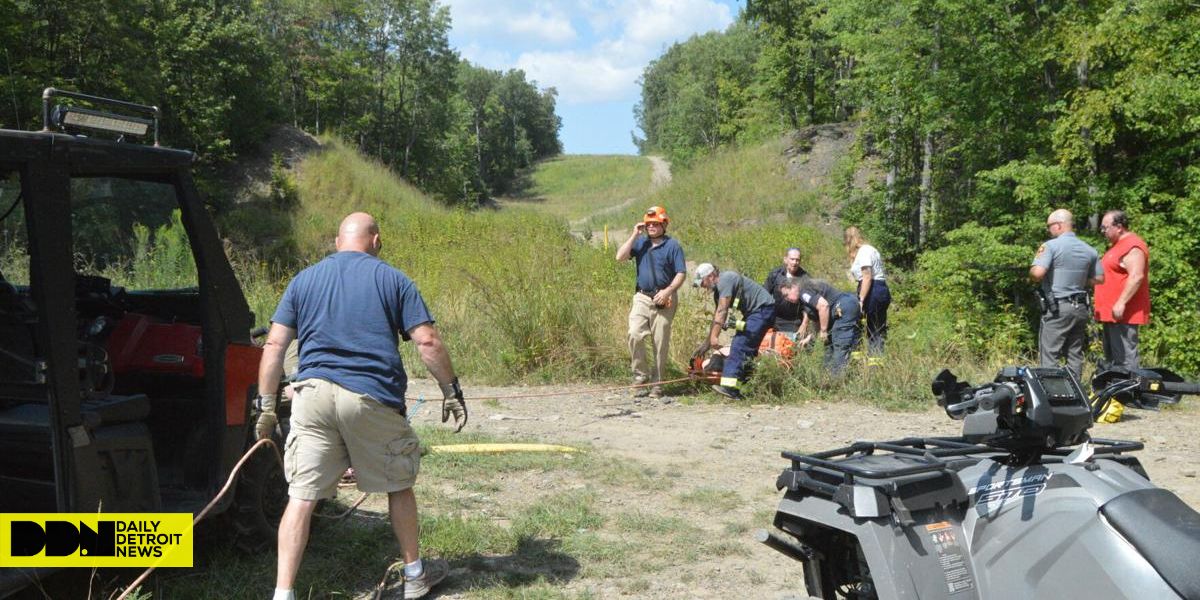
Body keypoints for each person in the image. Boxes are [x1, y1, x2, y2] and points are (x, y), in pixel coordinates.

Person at [255, 212, 467, 600]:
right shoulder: (393, 279)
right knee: (398, 485)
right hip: (370, 397)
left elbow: (273, 345)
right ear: (376, 241)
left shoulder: (303, 280)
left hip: (311, 396)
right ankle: (415, 576)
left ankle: (282, 594)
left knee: (301, 496)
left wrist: (267, 404)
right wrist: (450, 389)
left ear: (338, 242)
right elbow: (427, 342)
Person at [615, 205, 686, 398]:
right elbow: (619, 257)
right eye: (648, 224)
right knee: (634, 333)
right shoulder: (641, 243)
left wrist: (668, 291)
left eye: (655, 224)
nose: (652, 227)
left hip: (665, 298)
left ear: (664, 225)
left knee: (660, 342)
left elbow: (681, 273)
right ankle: (640, 377)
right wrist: (634, 235)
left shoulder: (673, 246)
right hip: (642, 296)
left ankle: (658, 384)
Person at [1030, 208, 1103, 382]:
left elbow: (1038, 273)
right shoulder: (1090, 250)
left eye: (1049, 226)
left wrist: (1032, 273)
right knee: (1074, 353)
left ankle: (1052, 395)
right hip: (1081, 308)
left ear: (1058, 225)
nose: (1049, 230)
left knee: (1050, 354)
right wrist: (1077, 281)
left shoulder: (1050, 246)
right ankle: (1076, 394)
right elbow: (1099, 279)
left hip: (1057, 308)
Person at [693, 263, 775, 399]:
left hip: (763, 310)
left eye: (702, 282)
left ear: (711, 276)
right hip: (755, 313)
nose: (702, 286)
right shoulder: (718, 292)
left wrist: (714, 338)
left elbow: (722, 311)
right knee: (747, 350)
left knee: (740, 345)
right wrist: (707, 343)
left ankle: (729, 388)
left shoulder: (725, 280)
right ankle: (746, 388)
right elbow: (717, 319)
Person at [1094, 210, 1150, 370]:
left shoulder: (1133, 245)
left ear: (1119, 227)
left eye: (1105, 228)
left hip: (1123, 315)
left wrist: (1121, 303)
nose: (1103, 231)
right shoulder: (1116, 247)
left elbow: (1137, 276)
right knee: (1113, 363)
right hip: (1110, 315)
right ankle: (1116, 394)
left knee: (1125, 363)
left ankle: (1130, 393)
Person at [779, 278, 861, 374]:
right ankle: (827, 375)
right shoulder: (804, 300)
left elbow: (823, 306)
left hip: (843, 307)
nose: (786, 298)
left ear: (793, 287)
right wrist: (810, 337)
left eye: (786, 294)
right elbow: (818, 319)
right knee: (828, 344)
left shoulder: (803, 291)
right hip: (842, 309)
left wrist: (823, 330)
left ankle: (837, 379)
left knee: (840, 344)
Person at [843, 227, 891, 355]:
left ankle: (871, 364)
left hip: (873, 290)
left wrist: (861, 299)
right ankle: (872, 362)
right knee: (876, 329)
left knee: (871, 330)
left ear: (849, 241)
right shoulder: (871, 249)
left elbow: (867, 276)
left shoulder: (864, 251)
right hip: (879, 288)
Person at [763, 247, 811, 338]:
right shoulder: (775, 274)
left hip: (794, 321)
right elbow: (764, 295)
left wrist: (804, 324)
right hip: (774, 317)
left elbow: (809, 306)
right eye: (792, 259)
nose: (794, 262)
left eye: (797, 260)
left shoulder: (806, 278)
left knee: (791, 345)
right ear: (785, 259)